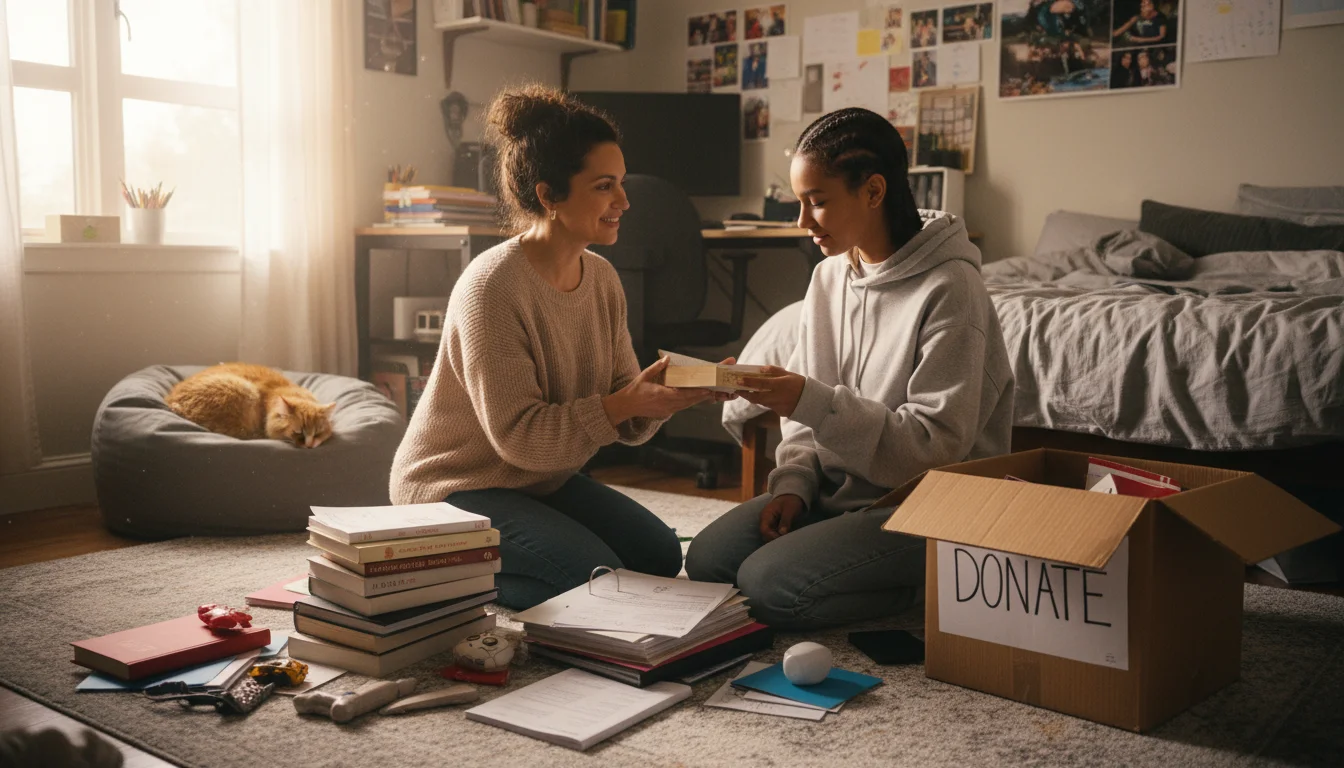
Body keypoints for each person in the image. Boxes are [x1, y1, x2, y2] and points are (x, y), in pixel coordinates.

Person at [390, 85, 729, 610]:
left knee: (658, 556)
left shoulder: (601, 277)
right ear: (549, 195)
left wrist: (667, 395)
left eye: (620, 183)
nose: (624, 201)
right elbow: (519, 440)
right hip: (453, 486)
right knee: (600, 582)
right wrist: (625, 404)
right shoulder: (492, 289)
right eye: (604, 186)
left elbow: (623, 404)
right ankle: (427, 575)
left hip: (535, 481)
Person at [684, 109, 1014, 629]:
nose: (801, 222)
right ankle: (839, 561)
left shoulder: (952, 289)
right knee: (707, 563)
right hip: (838, 492)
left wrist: (805, 397)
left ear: (874, 191)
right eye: (799, 202)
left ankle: (926, 591)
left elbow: (932, 449)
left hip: (923, 505)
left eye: (816, 202)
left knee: (768, 587)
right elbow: (804, 421)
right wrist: (793, 484)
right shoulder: (829, 278)